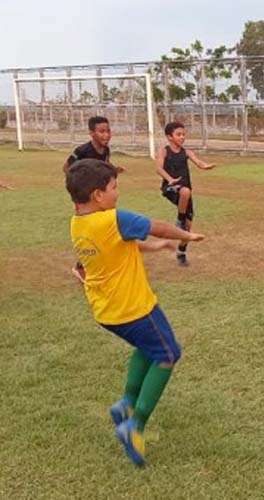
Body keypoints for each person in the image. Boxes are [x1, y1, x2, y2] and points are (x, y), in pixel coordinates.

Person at [65, 158, 205, 466]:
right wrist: (186, 236)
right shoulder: (113, 218)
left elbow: (118, 244)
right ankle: (135, 425)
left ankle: (126, 403)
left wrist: (155, 248)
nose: (117, 193)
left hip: (107, 311)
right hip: (133, 308)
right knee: (168, 353)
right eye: (114, 188)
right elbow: (158, 224)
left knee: (148, 347)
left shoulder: (80, 223)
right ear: (97, 195)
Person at [63, 116, 125, 282]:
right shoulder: (82, 151)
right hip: (85, 198)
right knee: (90, 232)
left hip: (101, 197)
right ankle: (80, 267)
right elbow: (67, 168)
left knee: (105, 227)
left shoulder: (106, 150)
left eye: (108, 131)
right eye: (102, 131)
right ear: (92, 133)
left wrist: (113, 168)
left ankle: (99, 263)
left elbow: (102, 167)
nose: (106, 135)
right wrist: (80, 189)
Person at [156, 121, 216, 267]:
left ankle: (181, 252)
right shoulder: (164, 150)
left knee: (188, 228)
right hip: (170, 188)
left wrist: (206, 166)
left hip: (185, 194)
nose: (182, 137)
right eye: (179, 134)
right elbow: (158, 168)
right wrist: (170, 180)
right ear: (170, 137)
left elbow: (199, 163)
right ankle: (179, 219)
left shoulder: (186, 152)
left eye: (184, 134)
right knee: (184, 191)